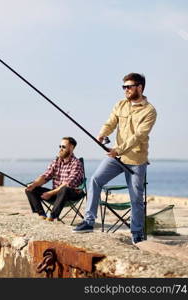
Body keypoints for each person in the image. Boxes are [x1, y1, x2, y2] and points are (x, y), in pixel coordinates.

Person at [72, 73, 157, 244]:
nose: (126, 90)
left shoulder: (150, 111)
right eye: (123, 87)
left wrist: (118, 149)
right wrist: (103, 133)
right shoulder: (120, 104)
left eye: (129, 86)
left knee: (136, 198)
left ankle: (137, 233)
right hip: (117, 157)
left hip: (136, 160)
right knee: (95, 180)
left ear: (139, 87)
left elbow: (139, 136)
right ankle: (89, 222)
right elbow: (111, 122)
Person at [25, 137, 84, 221]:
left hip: (72, 194)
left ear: (71, 147)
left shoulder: (76, 163)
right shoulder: (56, 161)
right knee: (30, 188)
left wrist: (50, 193)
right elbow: (45, 176)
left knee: (65, 189)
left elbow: (68, 184)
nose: (60, 149)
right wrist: (34, 184)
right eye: (60, 146)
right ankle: (41, 214)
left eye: (63, 147)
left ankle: (52, 216)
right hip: (56, 194)